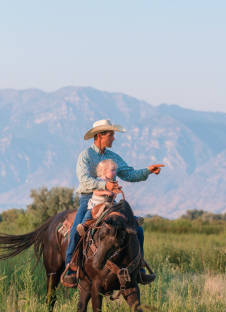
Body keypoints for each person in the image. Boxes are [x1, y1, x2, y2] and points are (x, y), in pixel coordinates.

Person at [61, 119, 164, 287]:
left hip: (110, 201)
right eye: (111, 135)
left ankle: (138, 268)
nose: (114, 138)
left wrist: (147, 171)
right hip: (89, 199)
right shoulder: (85, 155)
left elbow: (129, 174)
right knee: (77, 228)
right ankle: (71, 268)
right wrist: (105, 185)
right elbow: (84, 179)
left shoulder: (113, 157)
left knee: (137, 229)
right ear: (100, 136)